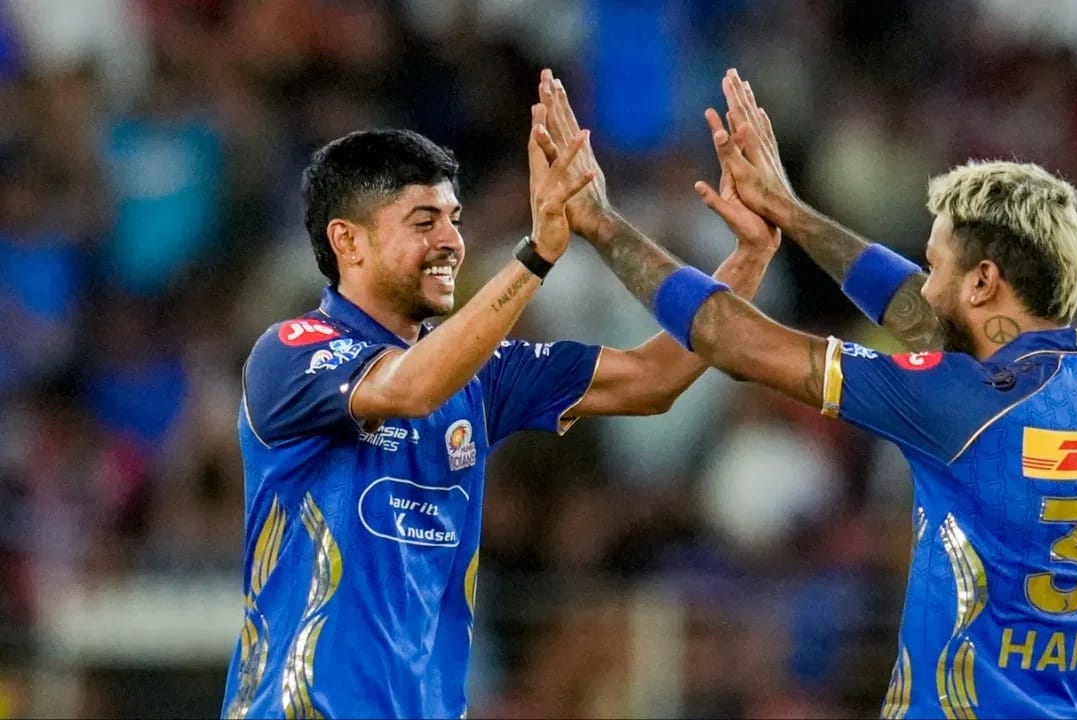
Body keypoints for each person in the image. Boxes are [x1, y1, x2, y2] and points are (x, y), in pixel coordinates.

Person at [535, 68, 1077, 719]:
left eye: (935, 267)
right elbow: (946, 328)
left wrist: (601, 223)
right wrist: (791, 212)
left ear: (983, 283)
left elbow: (728, 337)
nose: (923, 287)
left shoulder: (960, 406)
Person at [220, 98, 781, 717]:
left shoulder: (482, 373)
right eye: (424, 222)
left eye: (454, 219)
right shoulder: (291, 352)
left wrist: (747, 259)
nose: (451, 242)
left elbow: (654, 378)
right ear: (348, 241)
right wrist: (536, 255)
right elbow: (411, 388)